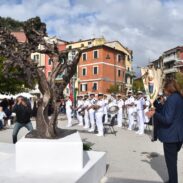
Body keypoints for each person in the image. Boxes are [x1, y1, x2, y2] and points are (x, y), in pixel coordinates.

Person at [146, 80, 183, 183]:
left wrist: (154, 114)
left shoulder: (172, 99)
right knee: (172, 162)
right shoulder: (179, 97)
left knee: (171, 163)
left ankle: (173, 181)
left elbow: (167, 119)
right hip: (178, 135)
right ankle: (172, 180)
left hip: (171, 136)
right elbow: (168, 112)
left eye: (164, 89)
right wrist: (156, 105)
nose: (164, 91)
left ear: (169, 89)